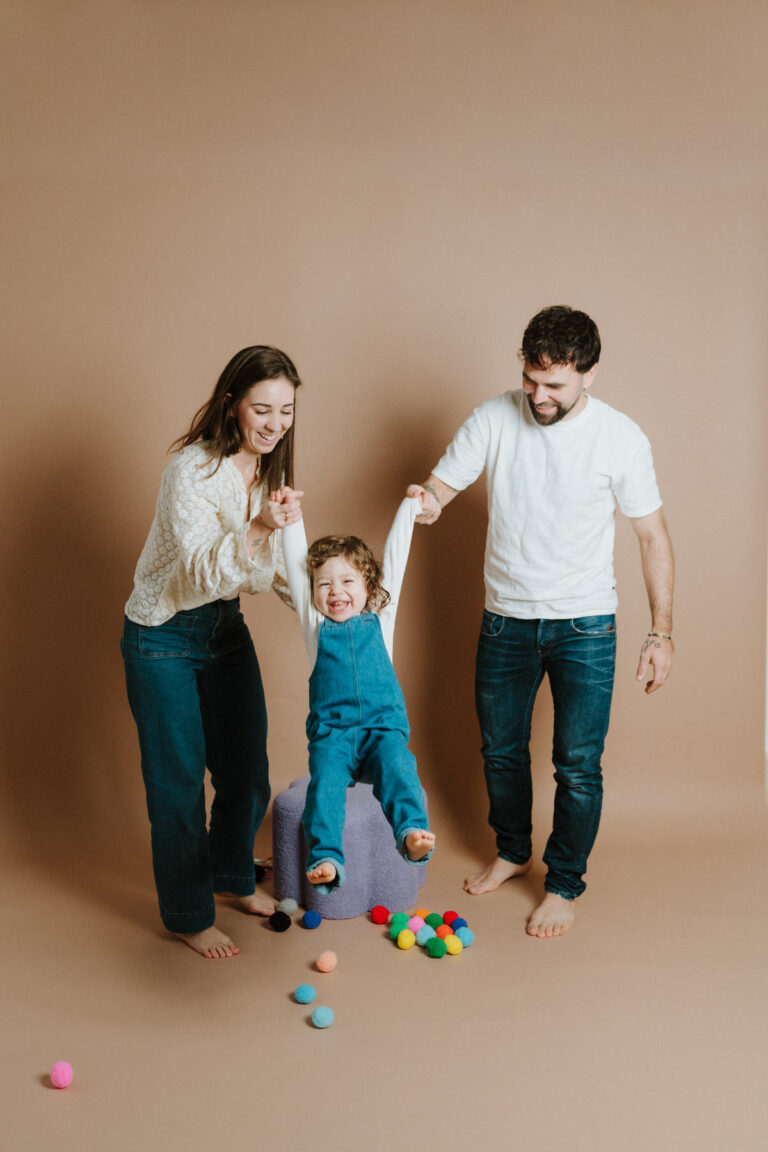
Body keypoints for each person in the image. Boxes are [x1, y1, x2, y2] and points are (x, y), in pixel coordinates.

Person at [408, 305, 674, 938]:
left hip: (586, 626)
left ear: (590, 374)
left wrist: (661, 632)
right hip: (505, 622)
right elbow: (441, 487)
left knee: (577, 764)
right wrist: (426, 502)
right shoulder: (494, 416)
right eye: (531, 379)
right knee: (501, 752)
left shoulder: (622, 437)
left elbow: (652, 537)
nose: (538, 395)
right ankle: (512, 849)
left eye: (554, 385)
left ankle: (563, 883)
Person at [121, 346, 304, 959]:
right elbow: (202, 569)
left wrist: (336, 607)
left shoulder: (270, 473)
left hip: (223, 629)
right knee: (177, 788)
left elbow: (277, 569)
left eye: (286, 411)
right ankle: (188, 913)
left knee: (248, 773)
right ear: (232, 403)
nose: (275, 424)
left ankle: (231, 879)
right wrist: (259, 529)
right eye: (262, 409)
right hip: (163, 633)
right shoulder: (191, 471)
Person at [280, 493, 435, 892]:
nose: (336, 591)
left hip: (383, 733)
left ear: (368, 585)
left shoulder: (382, 619)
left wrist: (409, 507)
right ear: (313, 591)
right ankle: (327, 857)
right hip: (333, 738)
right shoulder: (314, 626)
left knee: (399, 767)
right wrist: (290, 517)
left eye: (348, 581)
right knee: (325, 786)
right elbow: (298, 563)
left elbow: (396, 556)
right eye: (324, 584)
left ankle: (412, 834)